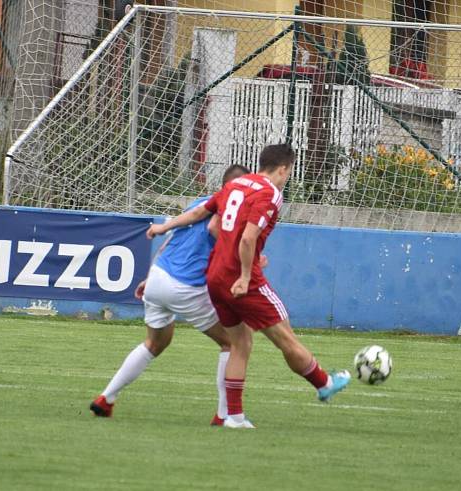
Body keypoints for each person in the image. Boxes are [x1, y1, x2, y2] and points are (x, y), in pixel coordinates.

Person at [146, 144, 350, 429]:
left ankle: (234, 417)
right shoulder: (270, 194)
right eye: (288, 173)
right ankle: (323, 382)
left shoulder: (236, 184)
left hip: (214, 277)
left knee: (239, 344)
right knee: (285, 337)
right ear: (283, 169)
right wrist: (244, 275)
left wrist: (162, 228)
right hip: (241, 279)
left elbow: (201, 216)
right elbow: (247, 239)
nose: (286, 179)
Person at [90, 164, 250, 424]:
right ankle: (223, 416)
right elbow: (213, 228)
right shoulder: (226, 211)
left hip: (159, 277)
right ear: (235, 188)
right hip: (184, 285)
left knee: (155, 343)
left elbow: (169, 239)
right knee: (233, 343)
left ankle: (106, 398)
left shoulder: (199, 203)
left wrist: (150, 276)